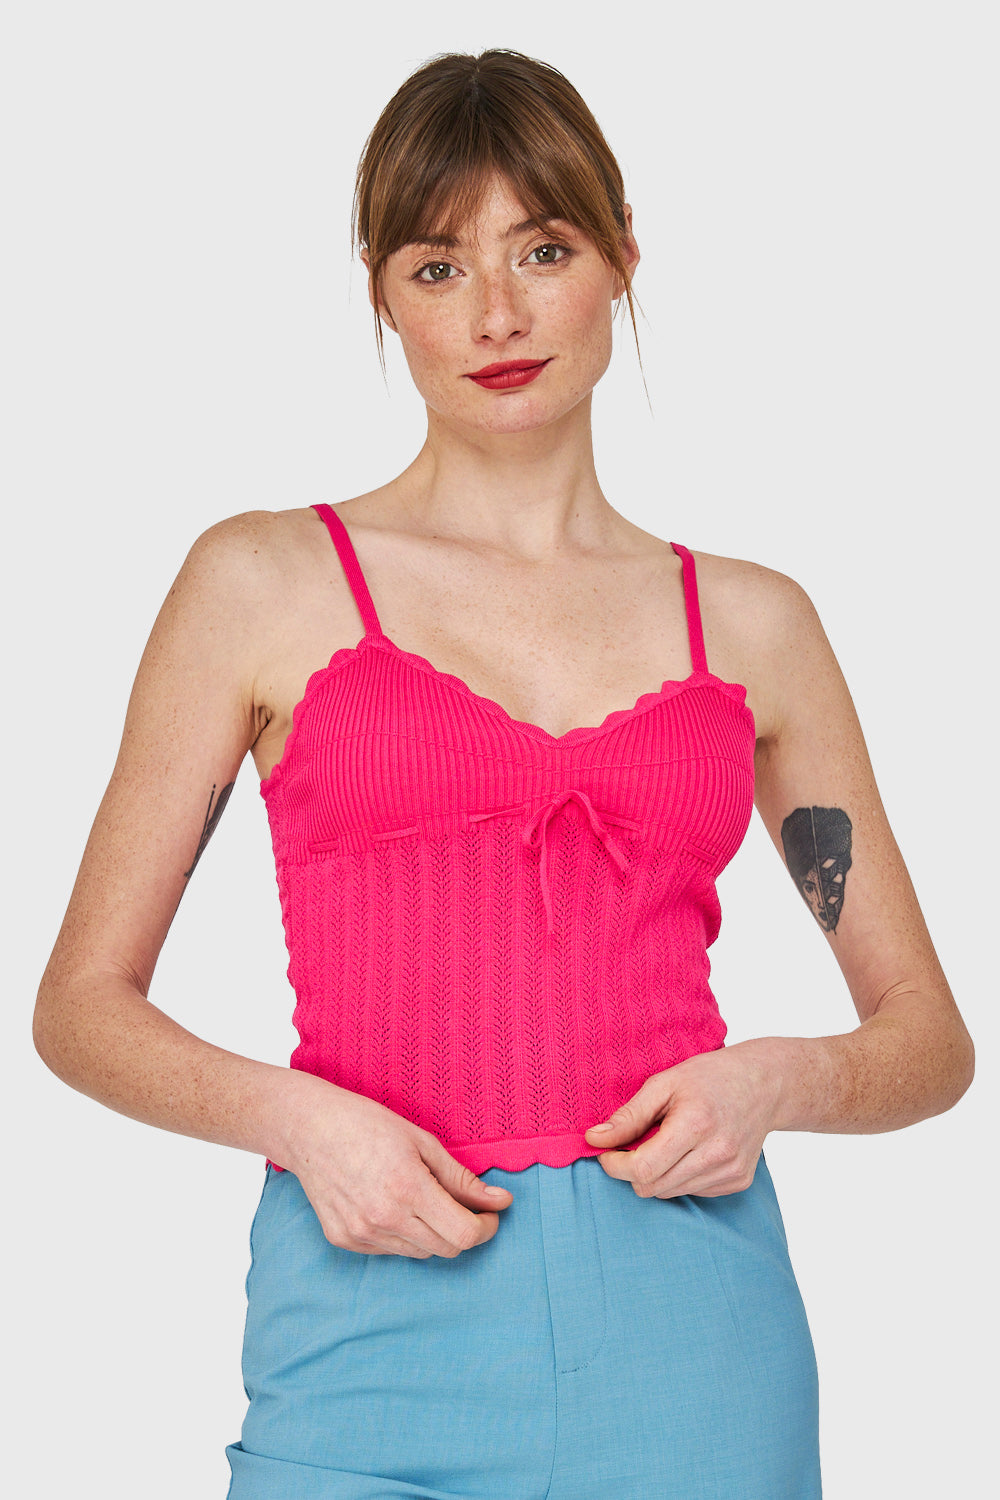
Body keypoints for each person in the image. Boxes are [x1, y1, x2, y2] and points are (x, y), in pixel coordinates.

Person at [33, 47, 974, 1500]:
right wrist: (301, 1124)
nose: (496, 315)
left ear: (624, 256)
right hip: (366, 1294)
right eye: (436, 265)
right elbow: (80, 1005)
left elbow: (928, 1039)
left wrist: (777, 1080)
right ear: (380, 296)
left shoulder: (754, 623)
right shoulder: (261, 582)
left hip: (694, 1327)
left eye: (543, 250)